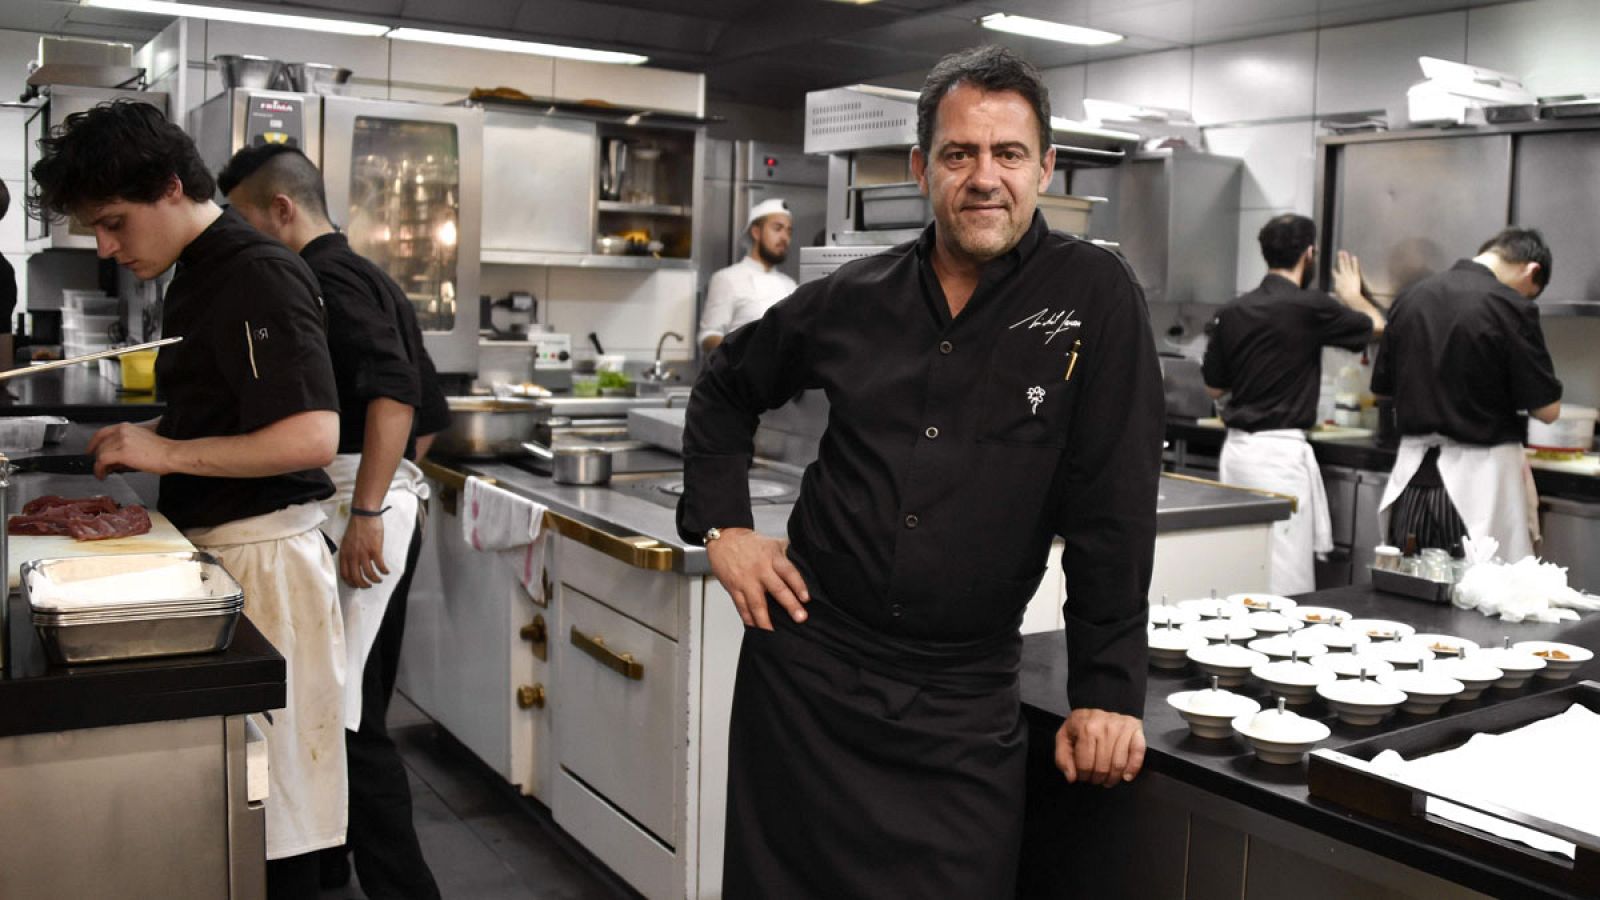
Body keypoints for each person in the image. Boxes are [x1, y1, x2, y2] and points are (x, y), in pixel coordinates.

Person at [678, 45, 1164, 897]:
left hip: (961, 705)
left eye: (1008, 153)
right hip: (808, 681)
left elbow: (1113, 512)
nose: (985, 178)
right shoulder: (855, 295)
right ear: (921, 168)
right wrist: (725, 528)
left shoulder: (1094, 296)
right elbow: (725, 387)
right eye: (959, 154)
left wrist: (1108, 690)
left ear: (1045, 167)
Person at [28, 99, 345, 899]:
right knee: (247, 801)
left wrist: (166, 452)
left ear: (171, 186)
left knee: (278, 810)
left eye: (113, 223)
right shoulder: (199, 270)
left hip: (269, 559)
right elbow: (243, 408)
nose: (107, 247)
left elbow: (311, 434)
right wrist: (158, 429)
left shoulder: (256, 271)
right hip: (232, 553)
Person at [217, 144, 443, 900]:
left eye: (243, 220)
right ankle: (331, 864)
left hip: (363, 512)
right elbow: (428, 414)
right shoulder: (372, 274)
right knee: (354, 702)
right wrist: (388, 490)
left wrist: (369, 506)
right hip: (374, 502)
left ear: (281, 209)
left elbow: (397, 395)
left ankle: (404, 888)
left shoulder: (327, 278)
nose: (239, 239)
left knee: (351, 718)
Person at [1201, 213, 1385, 594]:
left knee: (1239, 561)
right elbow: (1379, 327)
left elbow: (1214, 388)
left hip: (1237, 455)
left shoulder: (1232, 311)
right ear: (1309, 254)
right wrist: (1353, 296)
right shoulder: (1310, 306)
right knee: (1284, 574)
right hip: (1279, 460)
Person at [1371, 227, 1562, 561]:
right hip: (1477, 489)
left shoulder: (1409, 298)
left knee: (1410, 586)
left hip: (1411, 484)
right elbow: (1547, 410)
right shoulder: (1510, 306)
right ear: (1531, 270)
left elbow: (1383, 389)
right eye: (1530, 293)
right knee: (1477, 590)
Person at [697, 197, 795, 353]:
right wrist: (744, 355)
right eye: (777, 228)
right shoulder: (727, 279)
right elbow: (708, 336)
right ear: (756, 232)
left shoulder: (791, 285)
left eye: (789, 231)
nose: (784, 238)